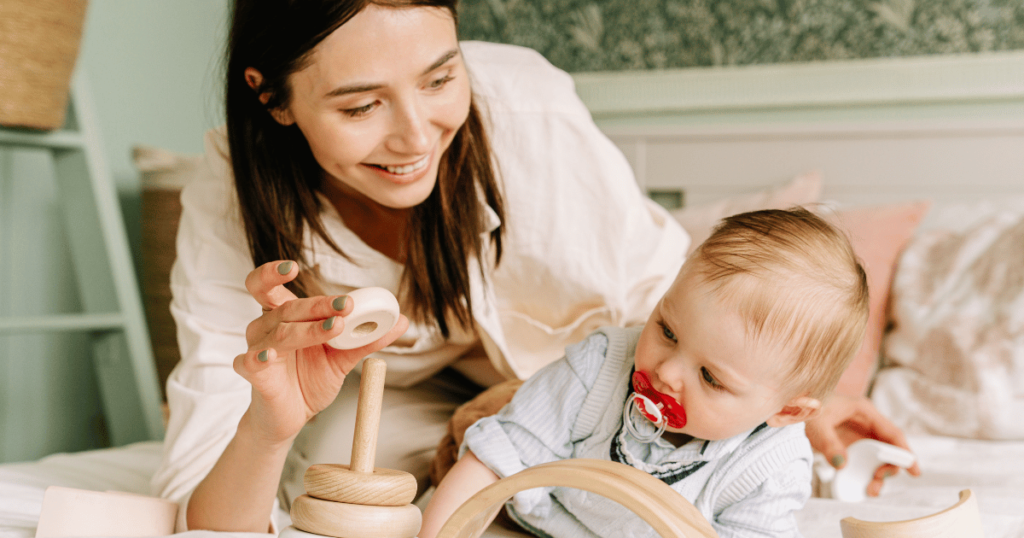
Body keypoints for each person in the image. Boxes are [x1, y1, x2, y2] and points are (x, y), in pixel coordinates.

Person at [152, 0, 917, 532]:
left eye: (441, 78)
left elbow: (678, 314)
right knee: (336, 487)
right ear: (272, 96)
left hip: (582, 388)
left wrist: (766, 399)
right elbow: (204, 506)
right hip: (411, 401)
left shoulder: (530, 115)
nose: (417, 137)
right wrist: (268, 423)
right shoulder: (233, 198)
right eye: (360, 107)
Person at [420, 208, 871, 538]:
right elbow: (493, 459)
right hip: (537, 519)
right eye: (667, 330)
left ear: (789, 410)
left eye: (711, 378)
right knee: (479, 437)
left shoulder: (771, 465)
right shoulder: (600, 366)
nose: (667, 372)